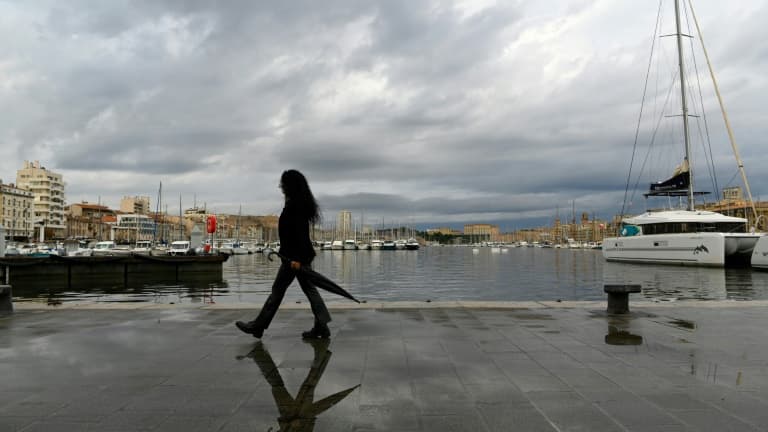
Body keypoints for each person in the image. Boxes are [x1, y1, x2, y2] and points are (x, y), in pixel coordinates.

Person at [236, 169, 332, 339]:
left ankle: (258, 326)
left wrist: (295, 260)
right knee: (307, 289)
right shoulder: (298, 205)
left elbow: (299, 236)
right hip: (296, 257)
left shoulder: (295, 207)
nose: (281, 187)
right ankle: (321, 326)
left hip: (293, 259)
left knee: (278, 291)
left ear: (290, 186)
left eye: (283, 184)